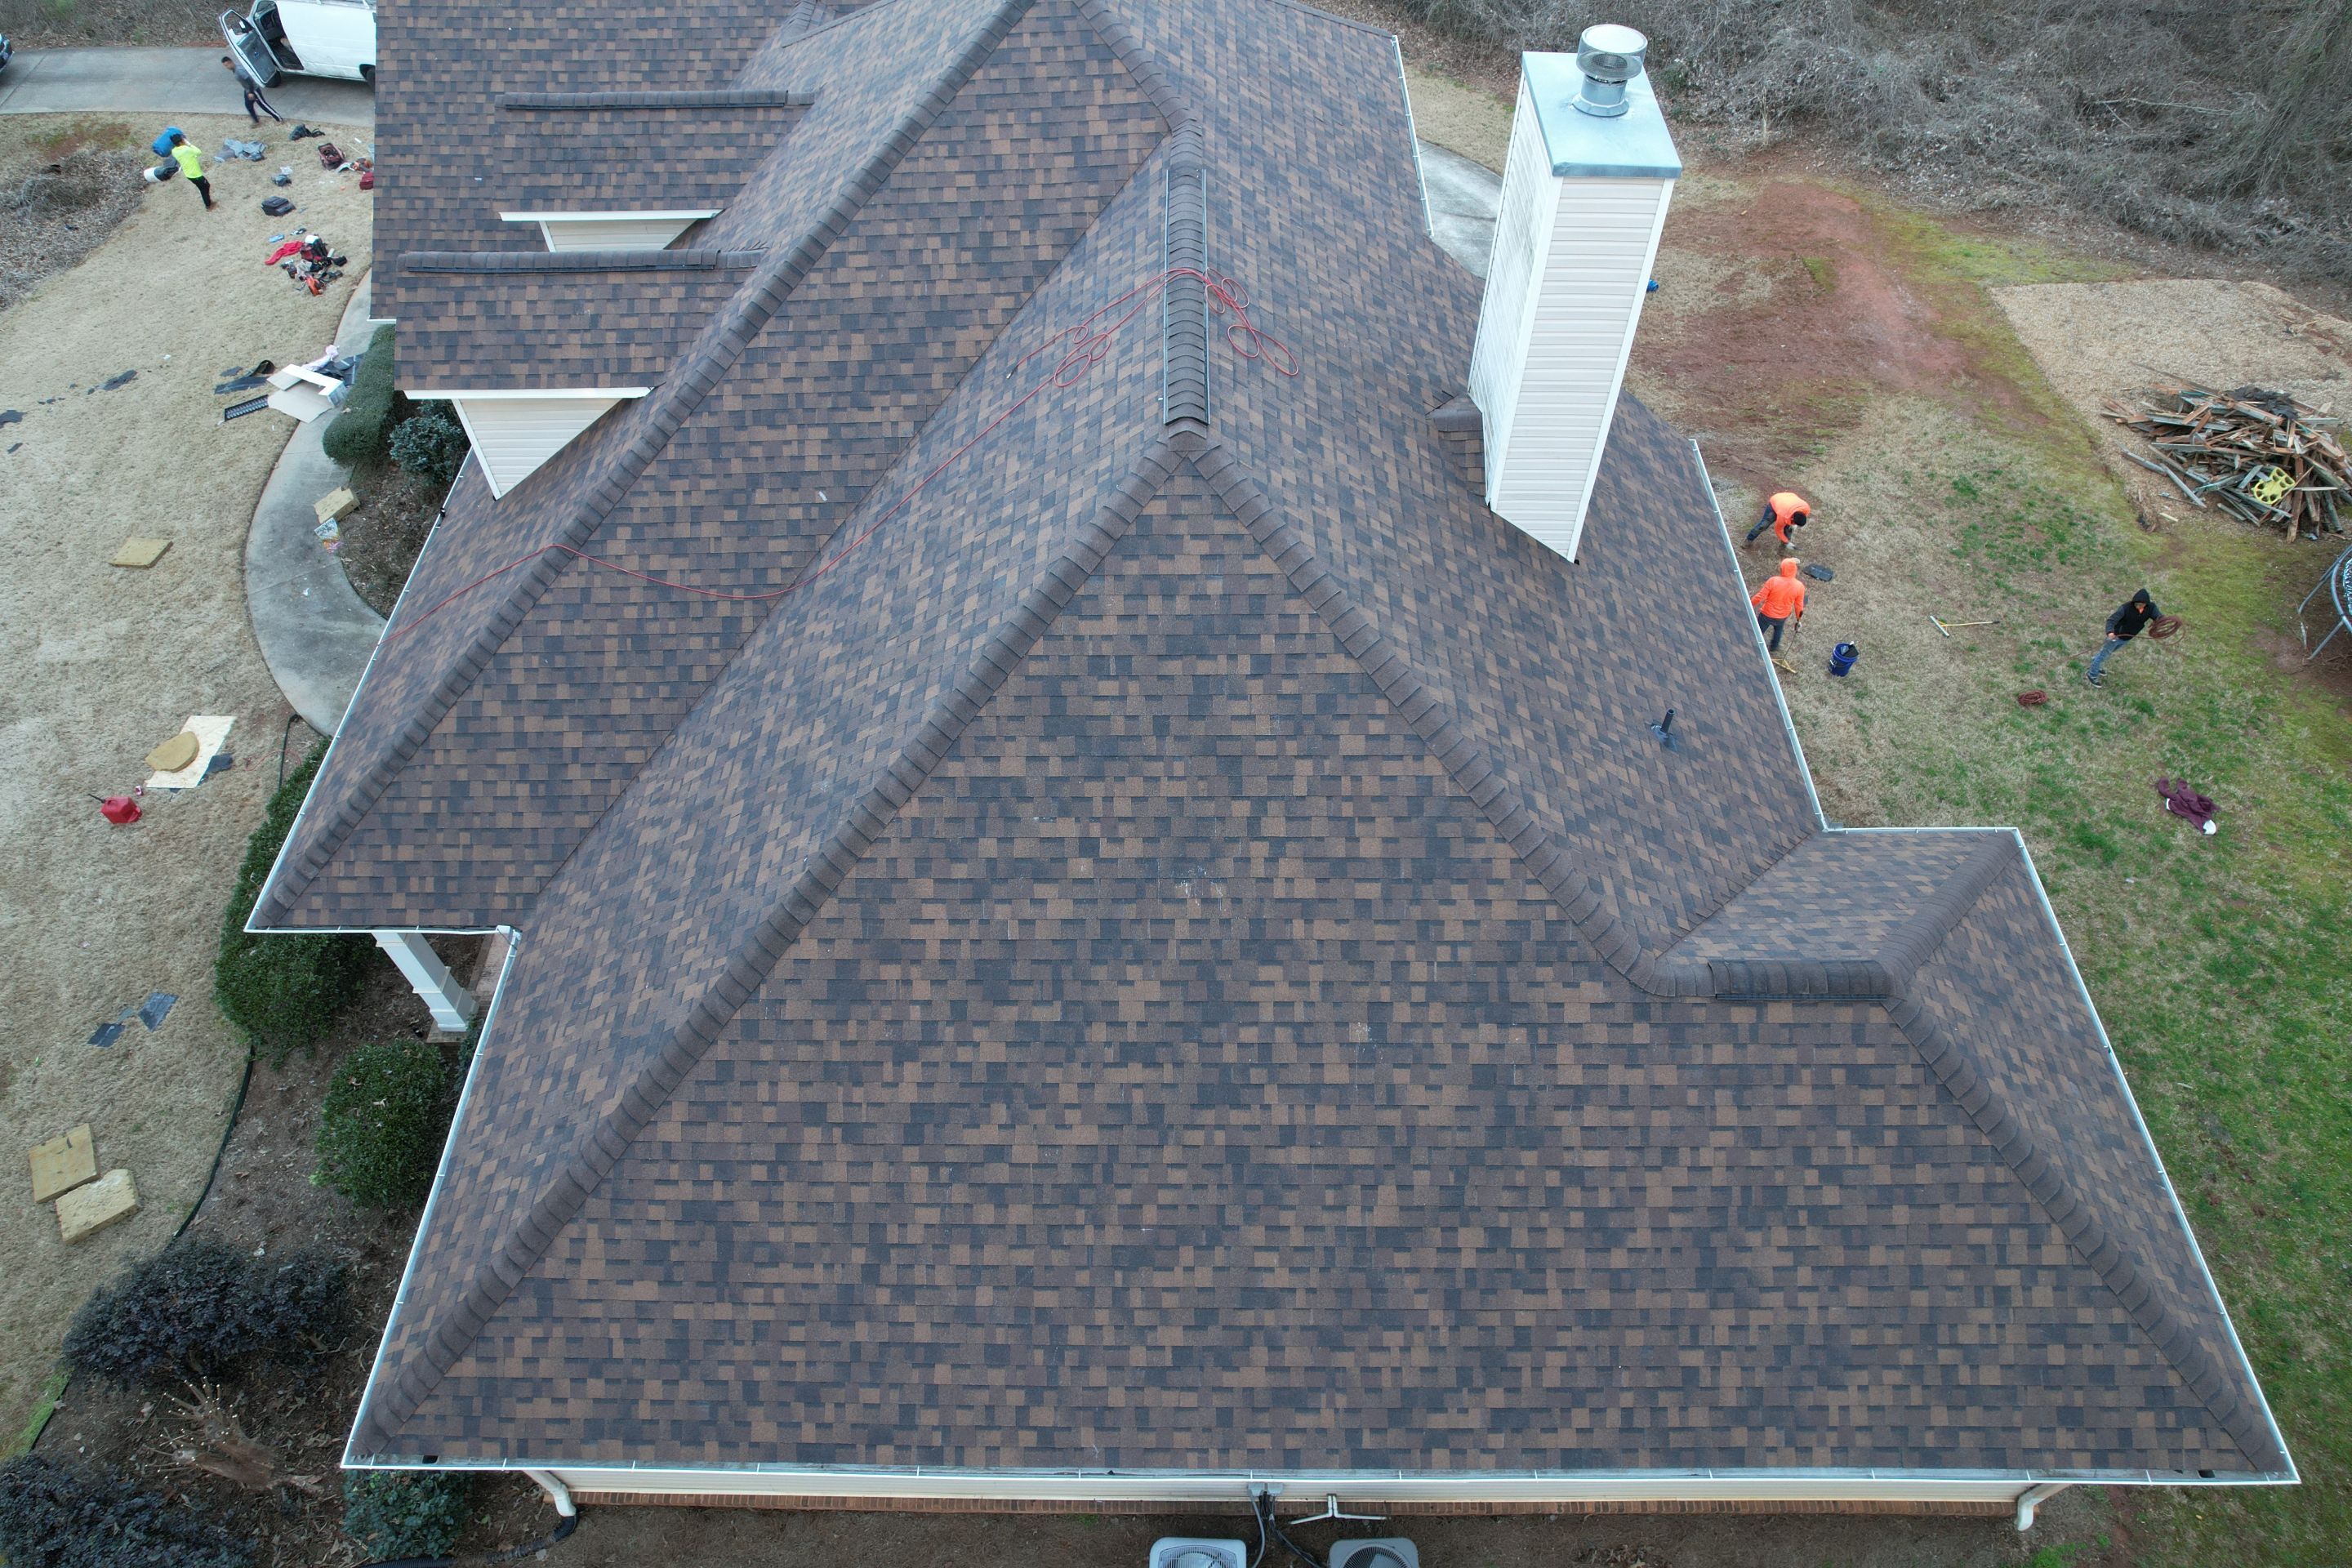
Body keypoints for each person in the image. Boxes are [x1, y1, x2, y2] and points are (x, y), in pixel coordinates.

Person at [2087, 588, 2161, 686]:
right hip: (2116, 637)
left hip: (2127, 637)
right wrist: (2110, 633)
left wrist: (2163, 621)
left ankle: (2095, 665)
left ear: (2146, 603)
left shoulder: (2151, 608)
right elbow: (2111, 620)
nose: (2138, 606)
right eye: (2136, 604)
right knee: (2104, 655)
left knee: (2107, 653)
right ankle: (2092, 674)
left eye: (2141, 605)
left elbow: (2159, 617)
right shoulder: (2125, 609)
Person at [1750, 557, 1807, 652]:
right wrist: (1798, 619)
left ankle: (1753, 643)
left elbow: (1760, 596)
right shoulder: (1799, 586)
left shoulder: (1773, 581)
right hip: (1782, 616)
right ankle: (1774, 647)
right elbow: (1799, 605)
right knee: (1778, 630)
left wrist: (1749, 605)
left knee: (1759, 631)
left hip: (1767, 614)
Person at [222, 55, 283, 126]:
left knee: (263, 105)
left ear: (230, 62)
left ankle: (279, 119)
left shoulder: (239, 71)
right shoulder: (234, 70)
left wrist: (251, 92)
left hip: (253, 90)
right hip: (247, 90)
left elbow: (250, 81)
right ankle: (256, 121)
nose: (227, 67)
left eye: (227, 65)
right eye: (225, 66)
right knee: (248, 105)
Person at [1744, 490, 1811, 550]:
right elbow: (1778, 530)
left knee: (1789, 530)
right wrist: (1787, 542)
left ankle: (1782, 549)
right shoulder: (1783, 515)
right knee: (1763, 525)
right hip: (1776, 502)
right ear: (1792, 518)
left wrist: (1793, 525)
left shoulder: (1806, 508)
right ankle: (1749, 540)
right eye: (1795, 523)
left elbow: (1804, 515)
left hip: (1789, 499)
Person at [168, 131, 212, 210]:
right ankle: (208, 205)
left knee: (203, 187)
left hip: (189, 175)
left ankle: (208, 202)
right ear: (181, 141)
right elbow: (199, 152)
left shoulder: (174, 151)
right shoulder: (186, 149)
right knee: (205, 187)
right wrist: (189, 144)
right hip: (196, 174)